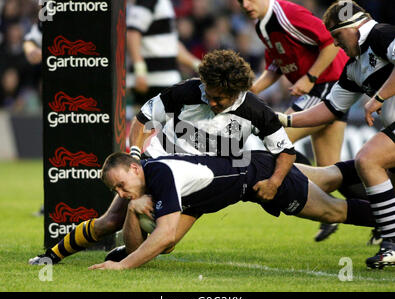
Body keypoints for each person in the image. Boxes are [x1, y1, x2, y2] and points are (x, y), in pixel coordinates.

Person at [28, 49, 299, 265]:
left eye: (221, 99)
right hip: (156, 167)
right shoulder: (185, 92)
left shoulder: (255, 110)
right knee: (110, 221)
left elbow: (286, 151)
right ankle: (51, 256)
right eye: (211, 96)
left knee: (166, 245)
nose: (213, 103)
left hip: (198, 180)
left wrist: (274, 181)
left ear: (237, 93)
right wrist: (136, 157)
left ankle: (130, 251)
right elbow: (143, 120)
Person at [86, 151, 376, 271]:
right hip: (249, 165)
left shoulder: (160, 175)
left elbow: (161, 238)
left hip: (259, 176)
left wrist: (122, 265)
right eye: (117, 192)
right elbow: (159, 245)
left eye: (122, 186)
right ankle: (375, 161)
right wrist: (133, 208)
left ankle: (377, 169)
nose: (121, 195)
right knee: (329, 176)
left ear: (135, 168)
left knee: (333, 212)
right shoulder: (149, 180)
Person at [276, 0, 395, 269]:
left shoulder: (381, 34)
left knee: (368, 160)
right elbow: (330, 108)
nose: (336, 44)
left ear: (354, 26)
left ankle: (391, 241)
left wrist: (378, 97)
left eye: (337, 36)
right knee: (357, 169)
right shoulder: (354, 66)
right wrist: (285, 119)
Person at [235, 0, 350, 241]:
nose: (245, 5)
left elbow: (330, 42)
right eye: (240, 0)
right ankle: (380, 216)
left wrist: (309, 78)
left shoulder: (287, 13)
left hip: (327, 85)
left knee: (278, 137)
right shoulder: (262, 26)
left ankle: (292, 182)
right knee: (333, 173)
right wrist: (247, 91)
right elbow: (275, 67)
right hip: (329, 87)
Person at [126, 0, 200, 111]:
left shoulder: (163, 1)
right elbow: (133, 33)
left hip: (165, 81)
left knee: (163, 127)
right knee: (147, 126)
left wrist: (198, 65)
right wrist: (139, 70)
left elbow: (171, 45)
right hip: (152, 81)